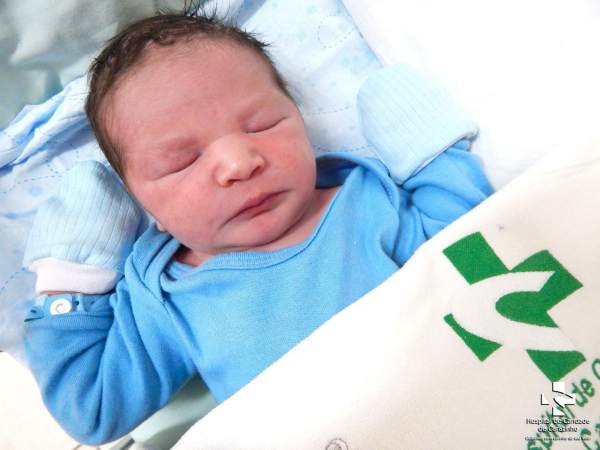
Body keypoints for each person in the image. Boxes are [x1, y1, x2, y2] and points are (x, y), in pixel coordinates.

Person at [21, 7, 493, 446]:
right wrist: (70, 280)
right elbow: (92, 409)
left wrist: (434, 161)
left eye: (262, 124)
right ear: (146, 206)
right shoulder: (169, 292)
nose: (238, 162)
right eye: (182, 161)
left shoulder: (364, 202)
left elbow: (476, 250)